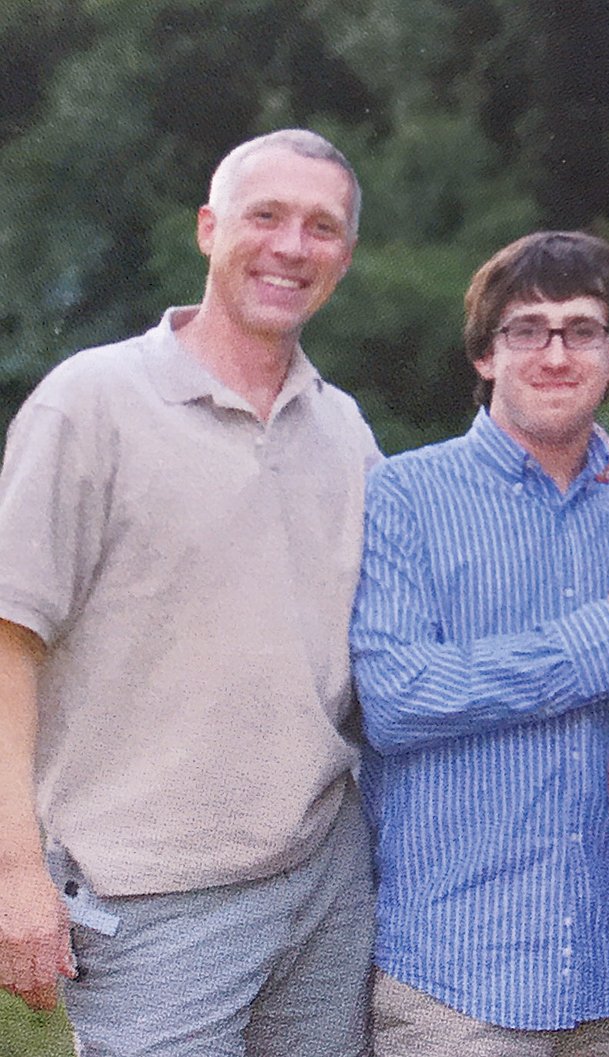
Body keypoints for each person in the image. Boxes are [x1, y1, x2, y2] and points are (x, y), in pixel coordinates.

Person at [0, 129, 379, 1054]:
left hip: (326, 883)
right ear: (209, 229)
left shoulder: (343, 428)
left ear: (345, 256)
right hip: (153, 903)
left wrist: (580, 470)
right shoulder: (89, 402)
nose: (292, 246)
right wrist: (14, 873)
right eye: (266, 216)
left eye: (321, 226)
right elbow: (10, 642)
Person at [349, 230, 609, 1056]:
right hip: (456, 983)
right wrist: (603, 626)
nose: (555, 352)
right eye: (526, 329)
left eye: (581, 330)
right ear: (485, 355)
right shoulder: (405, 496)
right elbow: (398, 699)